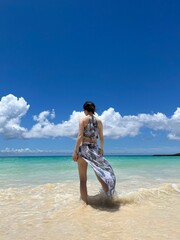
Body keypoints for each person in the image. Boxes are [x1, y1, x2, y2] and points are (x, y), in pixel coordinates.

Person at [72, 101, 116, 204]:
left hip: (84, 149)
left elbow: (80, 136)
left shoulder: (83, 119)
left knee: (83, 179)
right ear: (94, 110)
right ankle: (109, 199)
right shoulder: (99, 121)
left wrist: (75, 151)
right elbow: (101, 137)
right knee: (101, 173)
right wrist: (102, 149)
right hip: (95, 149)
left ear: (85, 110)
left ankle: (84, 203)